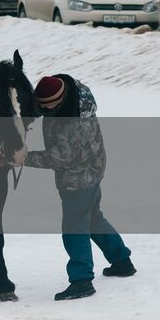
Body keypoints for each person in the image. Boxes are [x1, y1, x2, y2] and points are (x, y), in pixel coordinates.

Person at [19, 74, 134, 301]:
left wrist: (23, 158)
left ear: (59, 101)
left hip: (79, 177)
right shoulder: (71, 96)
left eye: (46, 106)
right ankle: (121, 260)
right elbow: (43, 105)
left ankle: (81, 280)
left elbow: (60, 158)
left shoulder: (72, 124)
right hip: (94, 168)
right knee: (92, 218)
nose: (43, 109)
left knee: (74, 227)